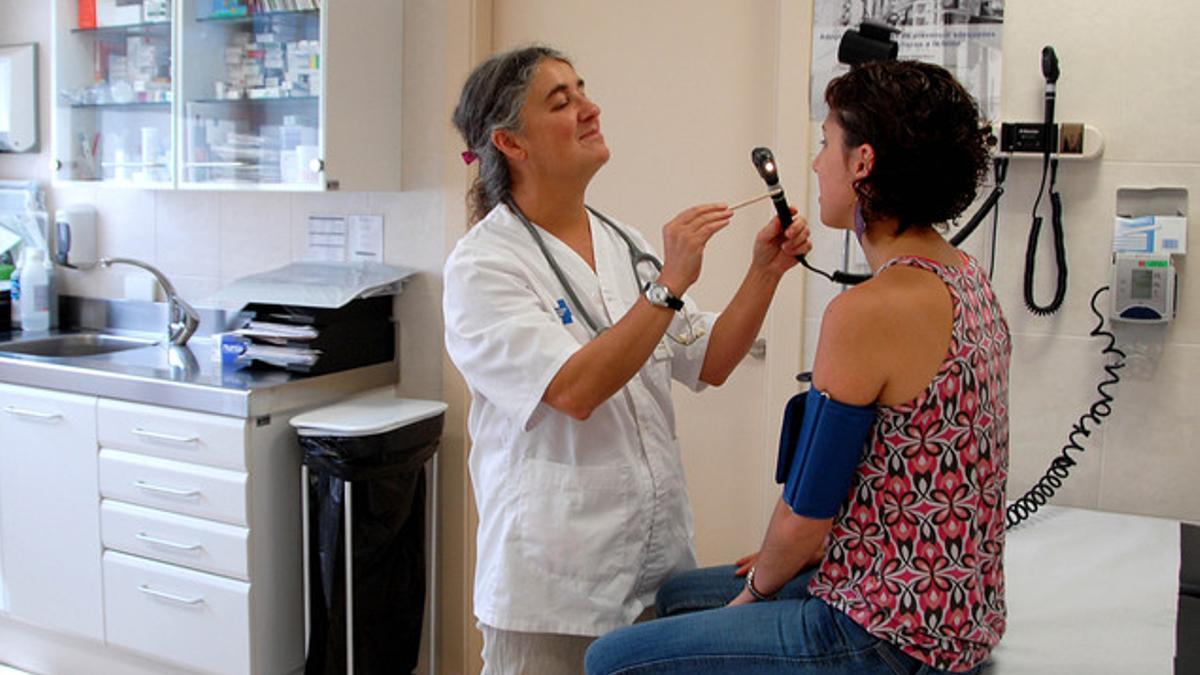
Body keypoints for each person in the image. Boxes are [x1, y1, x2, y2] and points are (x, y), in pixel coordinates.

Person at [586, 59, 1010, 675]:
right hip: (953, 608)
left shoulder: (867, 311)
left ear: (862, 162)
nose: (815, 165)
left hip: (891, 634)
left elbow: (808, 513)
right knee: (678, 597)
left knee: (610, 662)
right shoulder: (965, 277)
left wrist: (752, 596)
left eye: (824, 144)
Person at [442, 45, 812, 674]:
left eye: (583, 91)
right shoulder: (485, 266)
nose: (591, 109)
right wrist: (667, 286)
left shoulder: (623, 242)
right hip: (553, 594)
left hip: (656, 573)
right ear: (511, 143)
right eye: (562, 101)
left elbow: (710, 361)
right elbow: (573, 390)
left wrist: (764, 272)